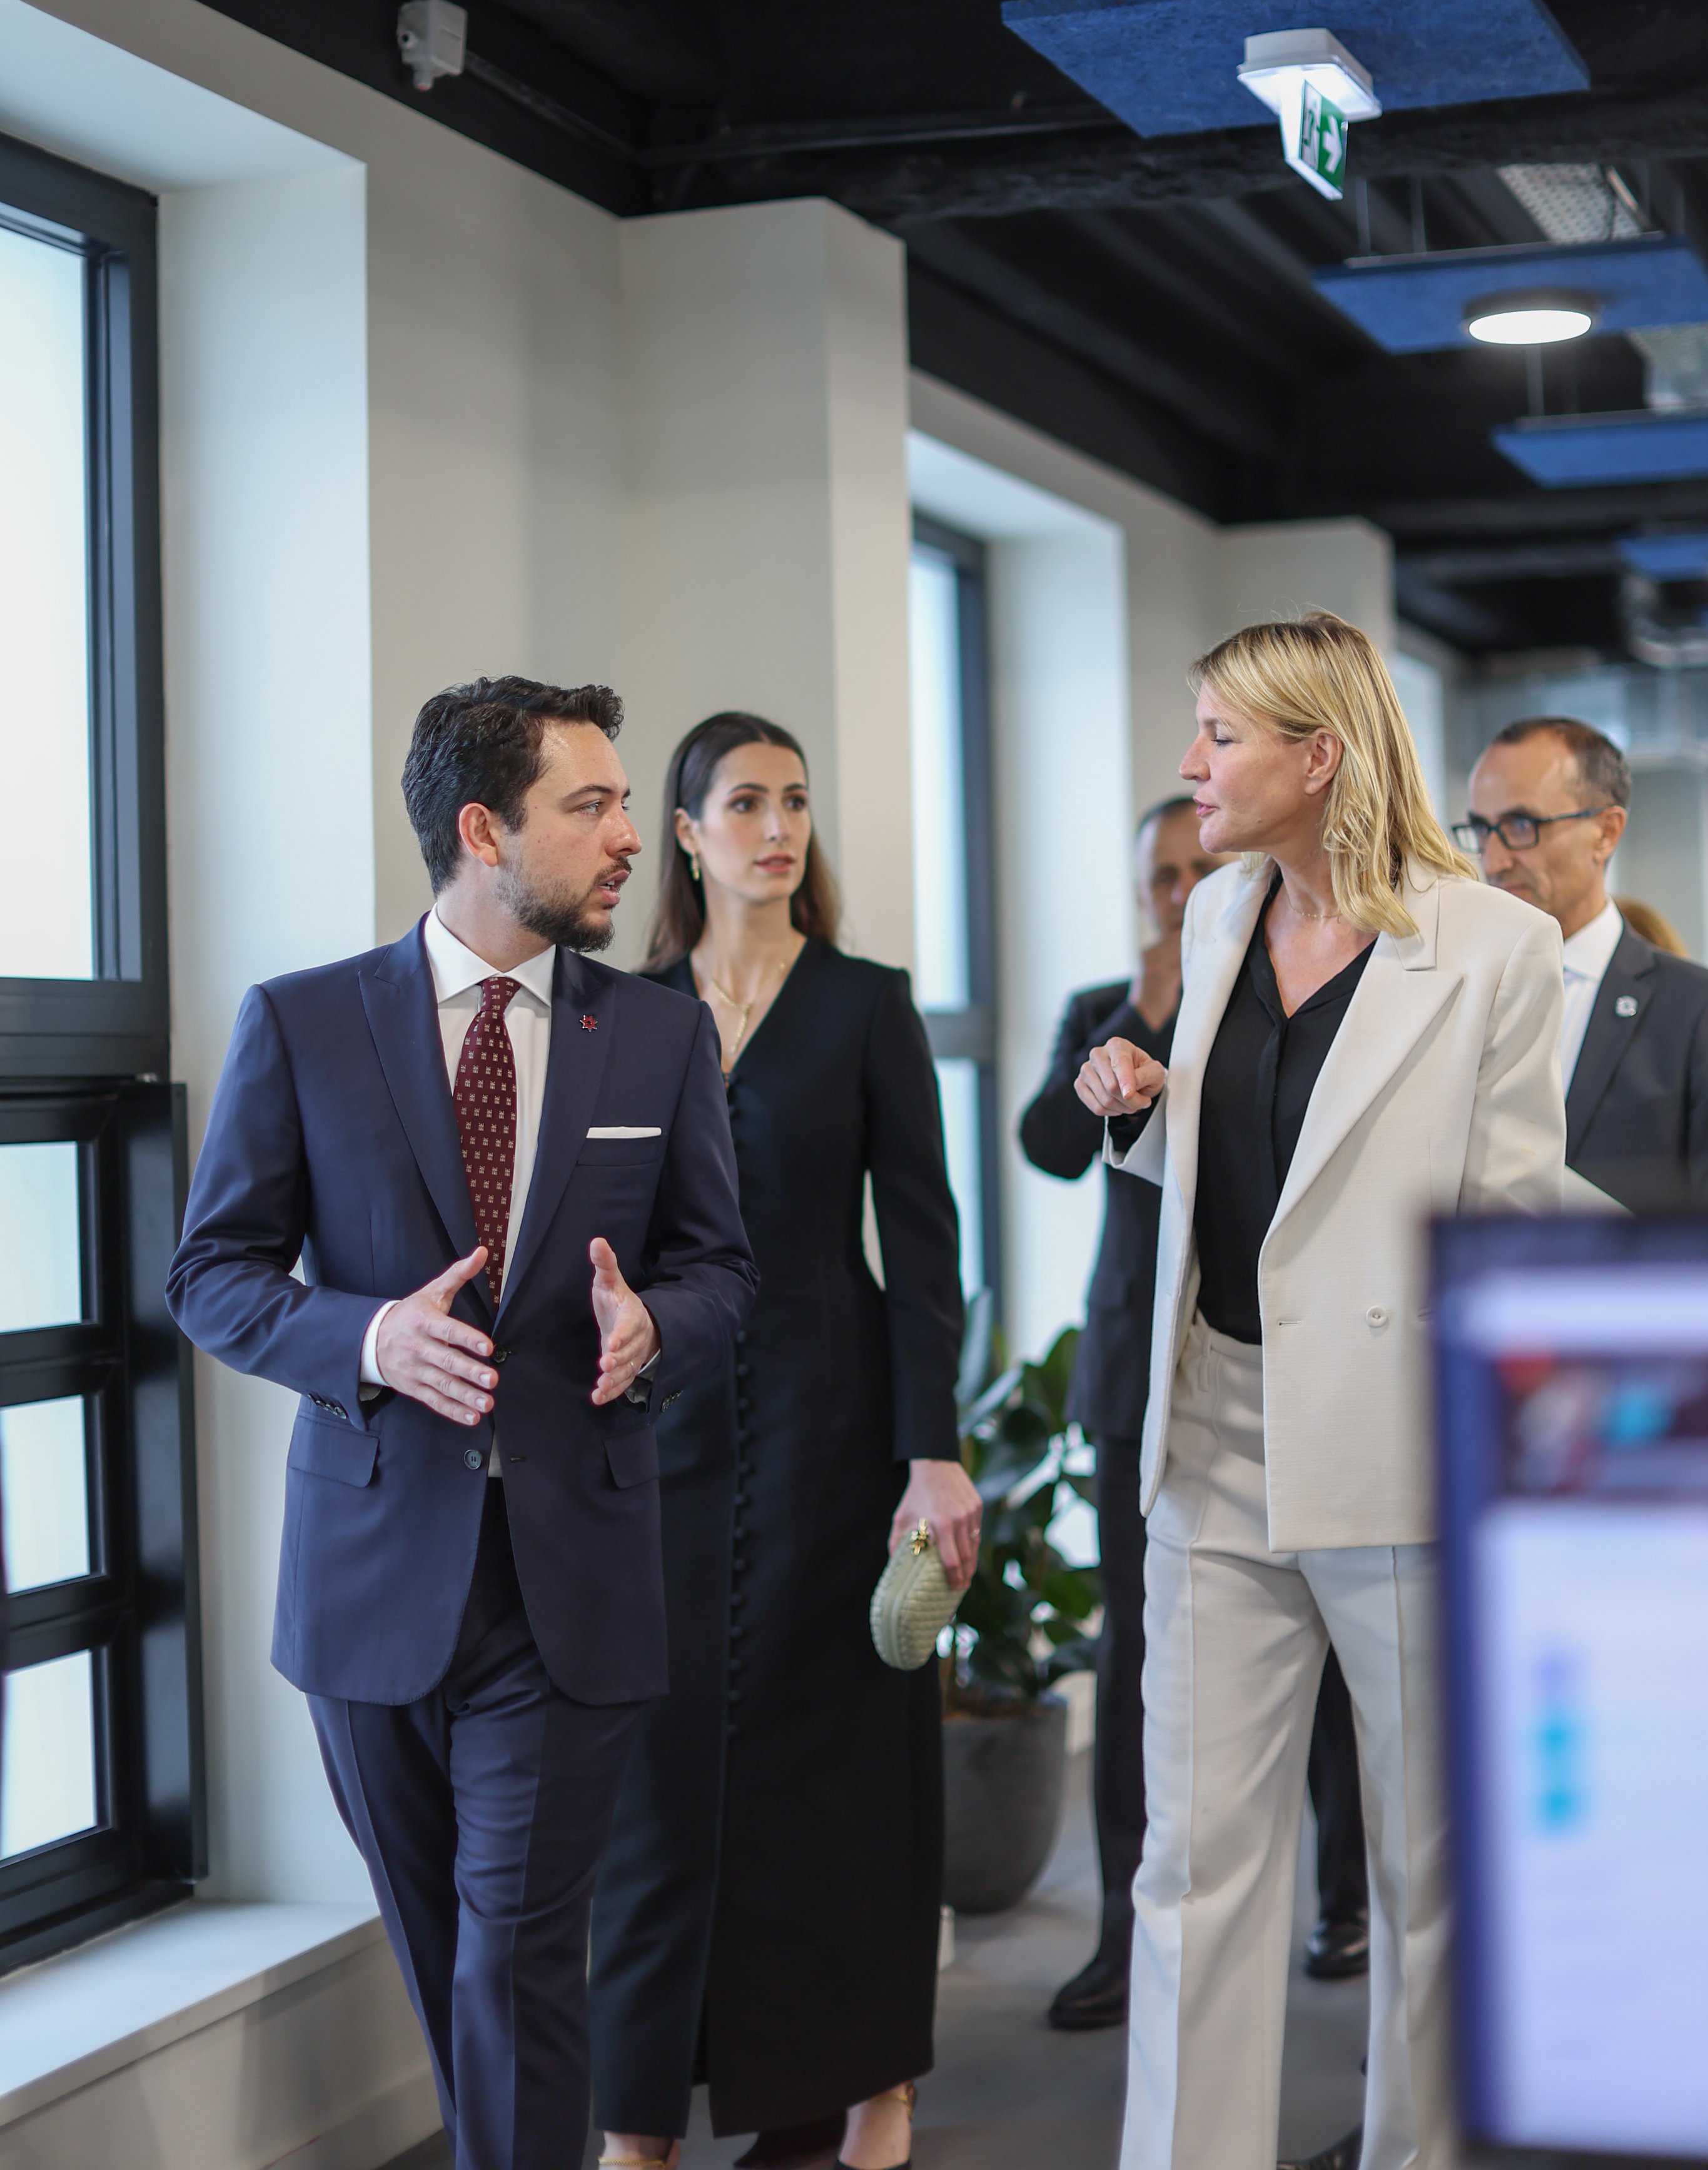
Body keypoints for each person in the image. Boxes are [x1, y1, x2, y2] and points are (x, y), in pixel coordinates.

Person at [167, 679, 757, 2170]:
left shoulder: (659, 1036)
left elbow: (721, 1272)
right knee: (449, 1963)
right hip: (369, 1583)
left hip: (570, 1586)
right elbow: (212, 1275)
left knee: (515, 1959)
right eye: (592, 805)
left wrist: (655, 1324)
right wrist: (368, 1336)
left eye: (625, 802)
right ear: (483, 831)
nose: (631, 836)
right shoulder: (302, 1022)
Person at [1074, 612, 1565, 2170]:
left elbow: (1509, 1220)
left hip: (1396, 1448)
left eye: (1220, 736)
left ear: (1319, 755)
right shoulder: (1222, 909)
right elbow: (1256, 1169)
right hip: (1212, 1432)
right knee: (1190, 1868)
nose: (1190, 763)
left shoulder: (1491, 945)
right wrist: (1144, 1110)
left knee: (1429, 1879)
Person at [590, 710, 979, 2170]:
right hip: (664, 1427)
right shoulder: (621, 1011)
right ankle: (639, 2120)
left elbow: (924, 1243)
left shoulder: (867, 1004)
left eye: (795, 801)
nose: (776, 827)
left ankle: (876, 2091)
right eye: (744, 802)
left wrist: (932, 1449)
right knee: (657, 1783)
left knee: (848, 1772)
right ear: (687, 834)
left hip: (843, 1421)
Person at [1019, 802, 1370, 2032]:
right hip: (1138, 1368)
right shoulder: (1102, 1005)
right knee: (1134, 1654)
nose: (1176, 892)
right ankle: (1125, 1931)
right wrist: (1146, 1004)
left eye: (1193, 870)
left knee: (1328, 1640)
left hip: (1286, 1365)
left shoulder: (1283, 987)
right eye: (1157, 878)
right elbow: (1048, 1144)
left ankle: (1342, 1897)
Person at [1463, 715, 1708, 1209]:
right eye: (1481, 830)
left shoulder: (1692, 1011)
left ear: (1605, 832)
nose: (1493, 861)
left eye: (1520, 826)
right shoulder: (1459, 996)